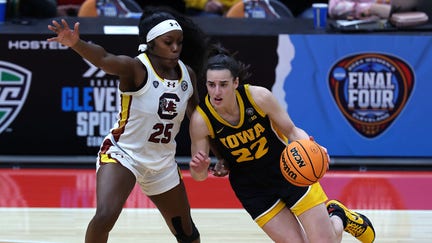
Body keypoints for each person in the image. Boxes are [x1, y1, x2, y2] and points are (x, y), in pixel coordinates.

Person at [47, 6, 208, 243]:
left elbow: (199, 120)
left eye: (179, 42)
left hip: (162, 162)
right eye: (168, 42)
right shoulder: (136, 68)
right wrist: (76, 43)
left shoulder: (187, 75)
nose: (175, 48)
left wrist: (220, 155)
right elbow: (104, 58)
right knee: (105, 216)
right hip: (124, 154)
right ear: (151, 43)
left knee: (188, 233)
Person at [188, 44, 376, 243]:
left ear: (235, 82)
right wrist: (200, 168)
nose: (216, 91)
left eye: (223, 84)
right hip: (252, 188)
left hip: (289, 170)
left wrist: (313, 148)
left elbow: (292, 132)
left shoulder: (258, 97)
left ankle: (338, 215)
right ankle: (335, 216)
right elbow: (198, 177)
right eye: (211, 85)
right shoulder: (201, 120)